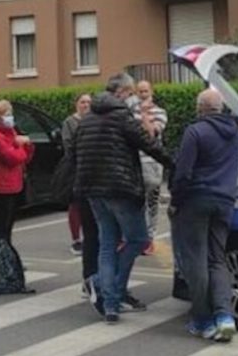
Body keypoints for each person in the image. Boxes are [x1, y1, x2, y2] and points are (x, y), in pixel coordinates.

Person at [72, 73, 173, 324]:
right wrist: (176, 164)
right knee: (138, 239)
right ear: (123, 92)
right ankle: (112, 291)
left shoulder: (88, 118)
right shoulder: (121, 115)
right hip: (120, 188)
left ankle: (110, 305)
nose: (133, 99)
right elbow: (148, 143)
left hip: (93, 190)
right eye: (131, 94)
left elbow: (75, 152)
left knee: (107, 244)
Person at [170, 89, 238, 342]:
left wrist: (175, 202)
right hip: (225, 200)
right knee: (217, 259)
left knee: (195, 261)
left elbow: (183, 173)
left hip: (196, 200)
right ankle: (225, 316)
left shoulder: (195, 132)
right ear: (221, 108)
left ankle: (202, 318)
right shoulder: (236, 133)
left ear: (200, 108)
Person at [0, 100, 34, 244]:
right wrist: (20, 145)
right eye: (7, 114)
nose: (10, 117)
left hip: (15, 182)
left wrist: (27, 145)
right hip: (2, 185)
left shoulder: (11, 132)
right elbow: (12, 158)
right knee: (2, 224)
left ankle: (7, 253)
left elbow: (25, 158)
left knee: (9, 224)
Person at [135, 81, 168, 255]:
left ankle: (150, 238)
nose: (143, 94)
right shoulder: (130, 112)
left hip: (152, 163)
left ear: (151, 92)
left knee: (151, 202)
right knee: (136, 202)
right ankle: (138, 238)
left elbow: (151, 134)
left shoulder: (160, 113)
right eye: (140, 91)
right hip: (135, 162)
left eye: (145, 91)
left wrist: (144, 115)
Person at [61, 93, 92, 256]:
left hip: (92, 169)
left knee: (90, 204)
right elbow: (68, 146)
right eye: (82, 102)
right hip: (76, 168)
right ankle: (75, 239)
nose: (86, 105)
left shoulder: (93, 120)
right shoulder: (69, 122)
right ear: (76, 104)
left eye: (88, 102)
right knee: (75, 204)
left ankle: (90, 236)